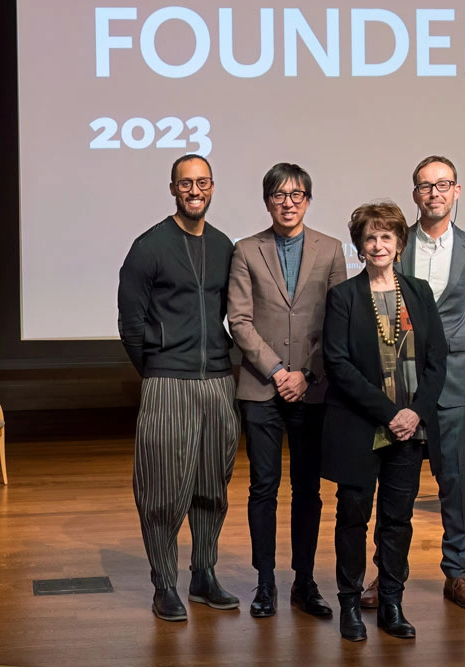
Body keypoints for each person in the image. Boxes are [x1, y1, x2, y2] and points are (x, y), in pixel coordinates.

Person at [360, 156, 465, 611]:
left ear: (457, 191)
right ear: (414, 194)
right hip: (399, 381)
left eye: (443, 184)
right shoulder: (397, 245)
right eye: (425, 186)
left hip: (453, 382)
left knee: (454, 481)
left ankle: (457, 573)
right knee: (396, 484)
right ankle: (385, 574)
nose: (434, 193)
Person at [117, 153, 241, 622]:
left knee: (213, 487)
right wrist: (157, 369)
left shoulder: (224, 244)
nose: (195, 190)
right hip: (167, 382)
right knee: (164, 490)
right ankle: (164, 584)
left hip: (217, 383)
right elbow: (130, 325)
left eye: (203, 182)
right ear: (173, 189)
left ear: (212, 187)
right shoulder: (148, 246)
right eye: (186, 183)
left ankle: (203, 575)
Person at [321, 201, 447, 642]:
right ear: (360, 245)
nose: (378, 244)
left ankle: (392, 602)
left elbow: (437, 361)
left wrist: (415, 413)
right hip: (361, 427)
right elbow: (337, 364)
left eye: (386, 237)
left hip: (410, 431)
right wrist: (390, 413)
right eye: (370, 237)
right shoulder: (343, 297)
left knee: (398, 519)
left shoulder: (419, 292)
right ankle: (351, 605)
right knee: (353, 517)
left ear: (399, 244)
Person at [227, 163, 347, 619]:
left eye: (297, 194)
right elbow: (238, 320)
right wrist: (278, 370)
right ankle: (264, 584)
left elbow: (338, 321)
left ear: (308, 200)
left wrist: (306, 375)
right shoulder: (245, 250)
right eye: (279, 194)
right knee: (263, 487)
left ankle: (304, 581)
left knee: (308, 491)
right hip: (261, 388)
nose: (288, 201)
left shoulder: (331, 249)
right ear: (267, 201)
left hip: (313, 391)